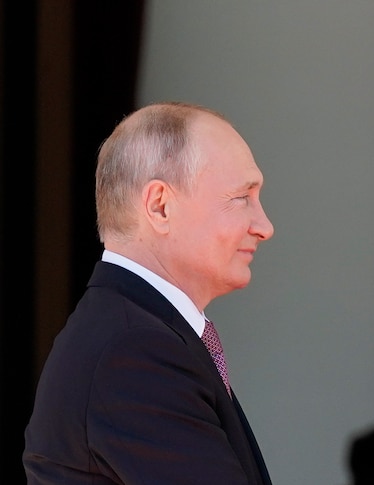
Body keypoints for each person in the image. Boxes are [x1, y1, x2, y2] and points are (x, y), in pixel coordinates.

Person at [23, 102, 275, 484]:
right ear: (160, 206)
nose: (264, 226)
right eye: (242, 197)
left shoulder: (134, 333)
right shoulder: (134, 351)